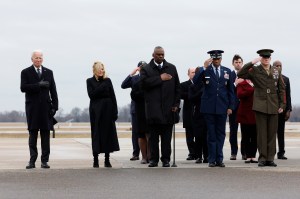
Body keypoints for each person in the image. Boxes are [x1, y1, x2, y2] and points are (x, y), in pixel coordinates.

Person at [237, 49, 286, 167]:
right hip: (260, 105)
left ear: (270, 58)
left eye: (268, 57)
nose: (266, 58)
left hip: (273, 105)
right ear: (260, 58)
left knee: (271, 134)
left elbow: (281, 88)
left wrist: (282, 105)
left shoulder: (276, 70)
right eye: (264, 57)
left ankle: (270, 158)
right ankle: (262, 158)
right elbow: (241, 74)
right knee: (262, 134)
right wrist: (252, 62)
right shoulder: (255, 70)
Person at [140, 46, 181, 167]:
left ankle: (166, 159)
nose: (161, 56)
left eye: (162, 54)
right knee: (153, 138)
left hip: (168, 110)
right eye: (158, 54)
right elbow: (143, 84)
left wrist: (176, 105)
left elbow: (177, 88)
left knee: (166, 138)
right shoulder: (146, 69)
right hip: (153, 111)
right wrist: (160, 78)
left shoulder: (171, 68)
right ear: (153, 55)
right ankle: (153, 159)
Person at [193, 50, 234, 167]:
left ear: (221, 59)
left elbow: (231, 91)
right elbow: (195, 82)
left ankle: (219, 159)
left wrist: (231, 106)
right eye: (214, 59)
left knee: (221, 134)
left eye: (218, 59)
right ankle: (211, 159)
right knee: (211, 134)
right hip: (209, 108)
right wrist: (203, 67)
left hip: (222, 107)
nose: (216, 61)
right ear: (211, 59)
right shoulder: (206, 70)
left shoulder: (227, 71)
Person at [20, 50, 58, 169]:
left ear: (43, 59)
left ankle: (44, 161)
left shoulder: (49, 72)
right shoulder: (26, 72)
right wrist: (38, 85)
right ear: (32, 59)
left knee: (46, 135)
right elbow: (23, 87)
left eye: (40, 58)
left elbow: (54, 91)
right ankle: (32, 160)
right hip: (32, 108)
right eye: (36, 58)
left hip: (46, 108)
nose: (38, 59)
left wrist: (55, 107)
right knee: (33, 134)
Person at [86, 61, 120, 168]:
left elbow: (113, 97)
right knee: (96, 134)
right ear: (95, 70)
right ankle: (95, 159)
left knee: (107, 134)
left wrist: (115, 111)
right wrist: (102, 85)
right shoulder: (90, 81)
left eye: (103, 68)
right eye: (100, 68)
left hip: (108, 110)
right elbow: (92, 95)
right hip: (96, 111)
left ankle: (107, 159)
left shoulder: (108, 80)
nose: (102, 70)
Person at [121, 63, 145, 161]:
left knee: (148, 133)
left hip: (147, 109)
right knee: (136, 133)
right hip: (136, 109)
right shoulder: (134, 78)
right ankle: (136, 153)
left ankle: (148, 154)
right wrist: (131, 73)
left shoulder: (149, 77)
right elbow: (123, 85)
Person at [130, 61, 151, 164]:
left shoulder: (151, 81)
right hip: (140, 110)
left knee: (150, 134)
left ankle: (150, 155)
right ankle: (144, 156)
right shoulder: (136, 81)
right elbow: (133, 95)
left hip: (151, 110)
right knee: (141, 135)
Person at [189, 67, 208, 164]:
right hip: (197, 114)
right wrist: (200, 92)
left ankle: (207, 156)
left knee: (206, 136)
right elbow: (191, 98)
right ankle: (198, 156)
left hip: (207, 113)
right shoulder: (193, 87)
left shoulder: (207, 85)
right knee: (198, 136)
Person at [273, 60, 292, 160]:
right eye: (276, 66)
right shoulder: (270, 79)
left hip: (282, 110)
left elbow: (288, 96)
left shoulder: (286, 79)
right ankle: (271, 153)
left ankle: (281, 153)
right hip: (272, 109)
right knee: (271, 133)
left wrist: (288, 110)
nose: (278, 67)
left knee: (281, 132)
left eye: (280, 66)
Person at [236, 79, 258, 163]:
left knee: (255, 136)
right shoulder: (241, 83)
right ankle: (248, 155)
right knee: (246, 136)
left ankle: (253, 155)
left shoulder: (257, 82)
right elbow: (239, 94)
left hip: (255, 112)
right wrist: (251, 88)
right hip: (244, 113)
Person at [229, 54, 246, 160]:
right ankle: (233, 152)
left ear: (242, 63)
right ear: (233, 63)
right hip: (233, 107)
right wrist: (235, 83)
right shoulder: (229, 74)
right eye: (236, 62)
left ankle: (244, 152)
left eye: (240, 62)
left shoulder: (247, 74)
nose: (238, 64)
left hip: (244, 106)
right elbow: (227, 89)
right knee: (233, 131)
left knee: (245, 131)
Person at [180, 67, 196, 161]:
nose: (193, 74)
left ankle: (198, 152)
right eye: (192, 72)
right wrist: (192, 94)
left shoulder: (200, 84)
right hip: (188, 112)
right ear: (188, 74)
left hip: (198, 113)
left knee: (199, 135)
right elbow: (180, 94)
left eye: (195, 72)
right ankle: (191, 152)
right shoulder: (183, 85)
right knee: (189, 136)